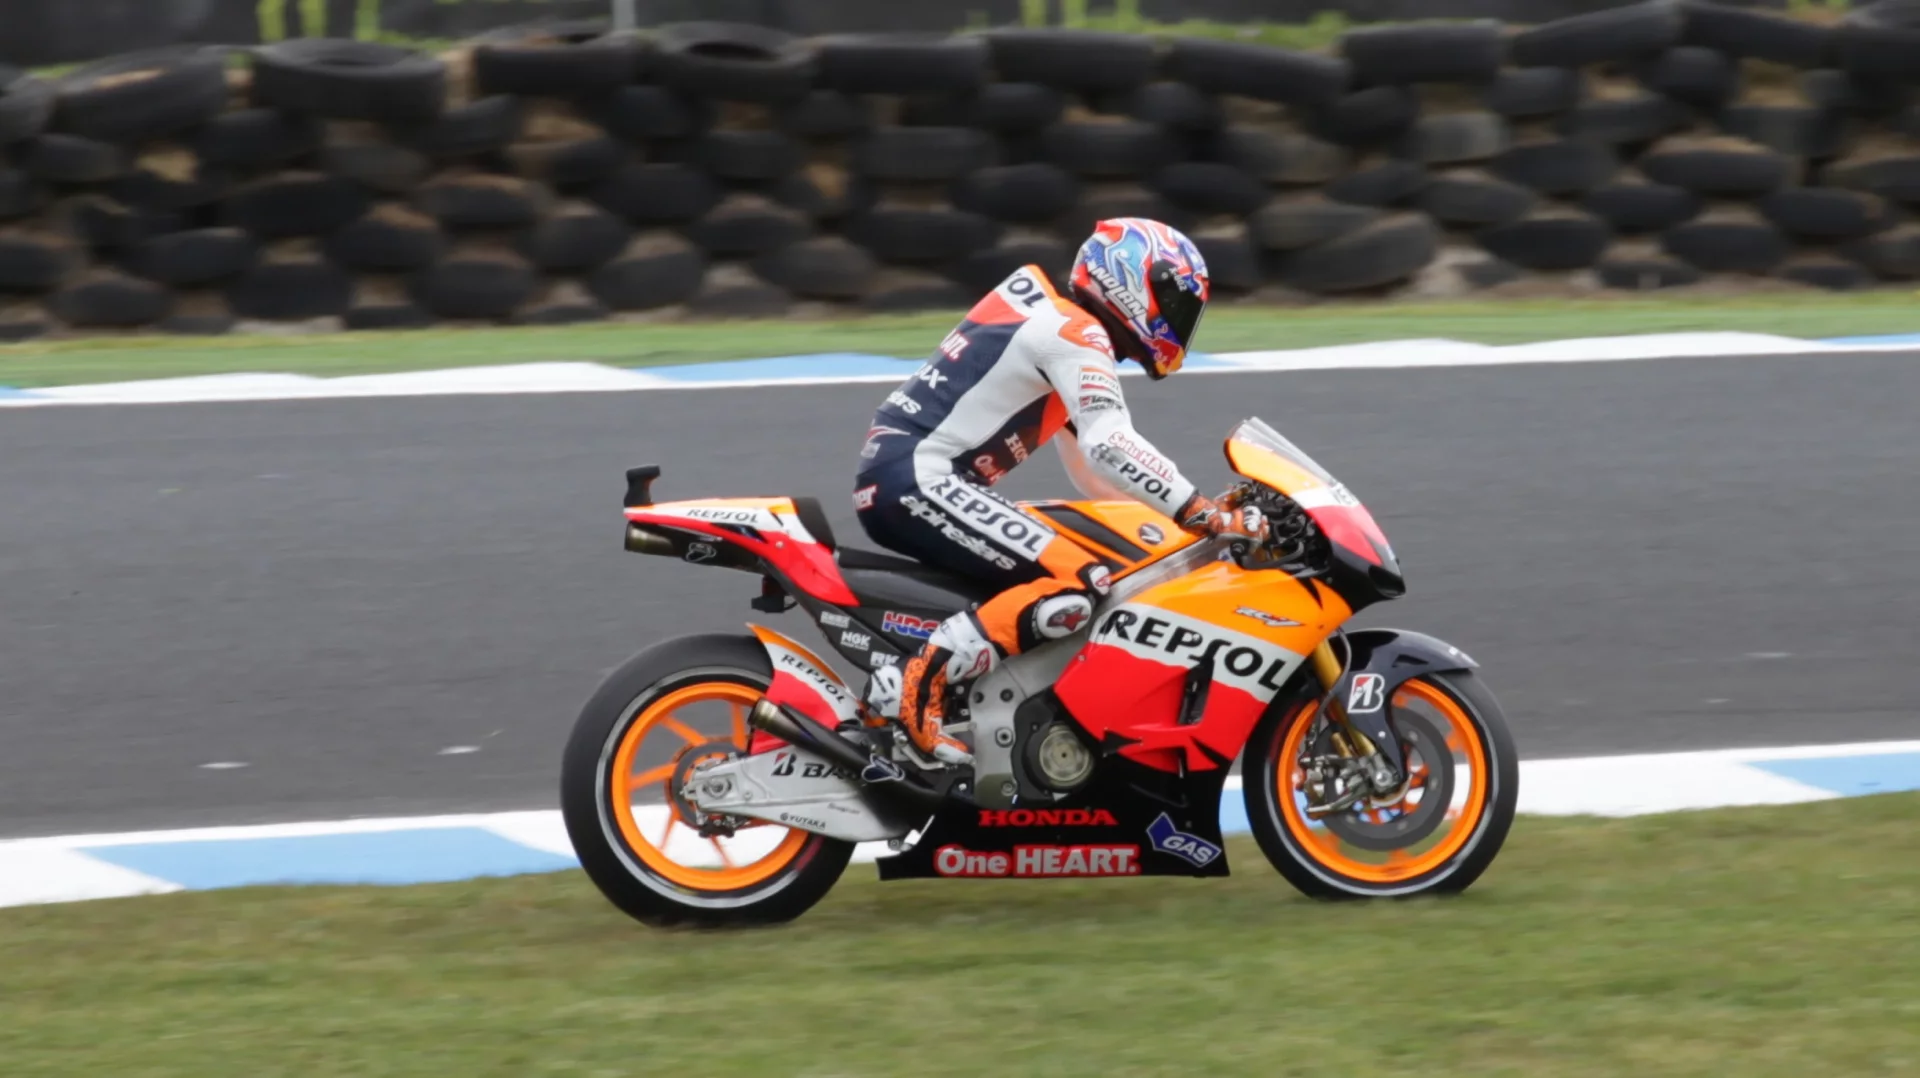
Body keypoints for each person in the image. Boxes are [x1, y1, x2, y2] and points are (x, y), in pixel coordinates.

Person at [849, 218, 1272, 767]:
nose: (1177, 319)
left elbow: (1093, 476)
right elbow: (1110, 444)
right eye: (1172, 301)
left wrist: (1181, 531)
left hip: (909, 473)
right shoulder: (1076, 331)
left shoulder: (1054, 320)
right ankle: (917, 689)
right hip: (922, 476)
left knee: (1095, 559)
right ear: (1133, 281)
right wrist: (1201, 512)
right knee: (1079, 581)